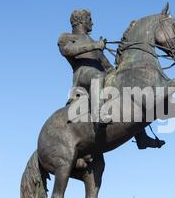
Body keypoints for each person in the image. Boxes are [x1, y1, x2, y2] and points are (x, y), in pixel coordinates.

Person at [58, 9, 165, 149]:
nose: (92, 23)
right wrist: (95, 45)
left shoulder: (94, 42)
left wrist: (118, 74)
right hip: (83, 76)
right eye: (89, 19)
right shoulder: (66, 37)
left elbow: (106, 65)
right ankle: (98, 115)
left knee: (130, 94)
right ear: (80, 21)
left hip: (102, 77)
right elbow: (68, 51)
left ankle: (141, 137)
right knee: (98, 76)